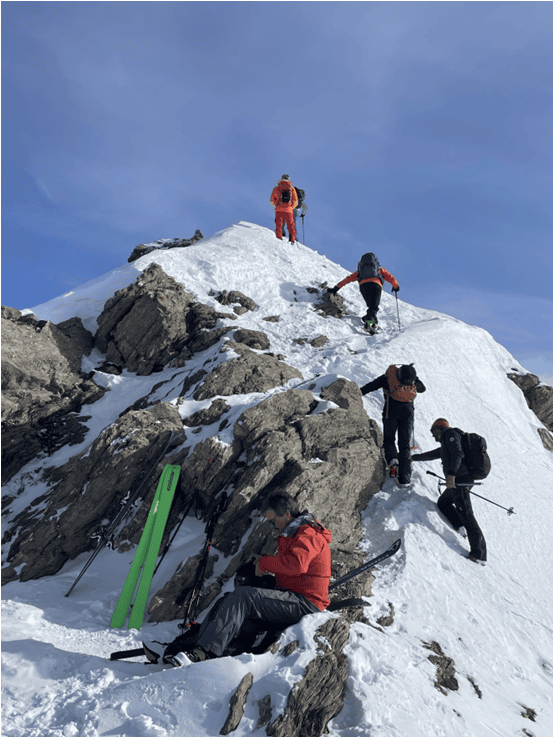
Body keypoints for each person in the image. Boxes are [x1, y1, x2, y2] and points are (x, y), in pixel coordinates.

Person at [165, 493, 332, 666]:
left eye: (273, 520)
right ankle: (211, 644)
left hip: (305, 603)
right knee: (235, 595)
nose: (272, 525)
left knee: (244, 597)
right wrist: (261, 560)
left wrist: (264, 563)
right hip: (293, 594)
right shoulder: (295, 533)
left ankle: (204, 652)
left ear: (287, 514)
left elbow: (297, 565)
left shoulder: (308, 533)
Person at [412, 418, 487, 563]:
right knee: (443, 502)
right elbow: (434, 454)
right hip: (458, 481)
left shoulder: (451, 435)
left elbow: (458, 454)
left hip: (460, 480)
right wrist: (414, 458)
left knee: (467, 515)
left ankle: (479, 554)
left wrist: (451, 474)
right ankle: (459, 526)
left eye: (434, 432)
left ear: (440, 428)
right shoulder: (447, 443)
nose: (434, 436)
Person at [360, 364, 426, 487]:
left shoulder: (388, 378)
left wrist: (357, 393)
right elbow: (423, 389)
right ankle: (405, 479)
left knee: (389, 440)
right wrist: (415, 380)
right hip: (407, 414)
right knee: (404, 445)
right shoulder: (412, 381)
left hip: (390, 413)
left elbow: (371, 386)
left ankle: (392, 460)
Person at [327, 252, 399, 333]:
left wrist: (336, 288)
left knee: (372, 306)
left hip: (364, 286)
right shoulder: (379, 269)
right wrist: (396, 287)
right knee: (374, 306)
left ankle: (370, 321)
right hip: (376, 285)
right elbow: (390, 277)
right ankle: (369, 322)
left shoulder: (360, 272)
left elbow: (347, 279)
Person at [270, 175, 298, 243]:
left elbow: (272, 200)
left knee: (279, 225)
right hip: (288, 210)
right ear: (288, 179)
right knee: (291, 226)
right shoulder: (291, 188)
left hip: (279, 210)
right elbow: (295, 201)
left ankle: (279, 239)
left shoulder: (276, 188)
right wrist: (291, 207)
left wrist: (276, 205)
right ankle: (292, 240)